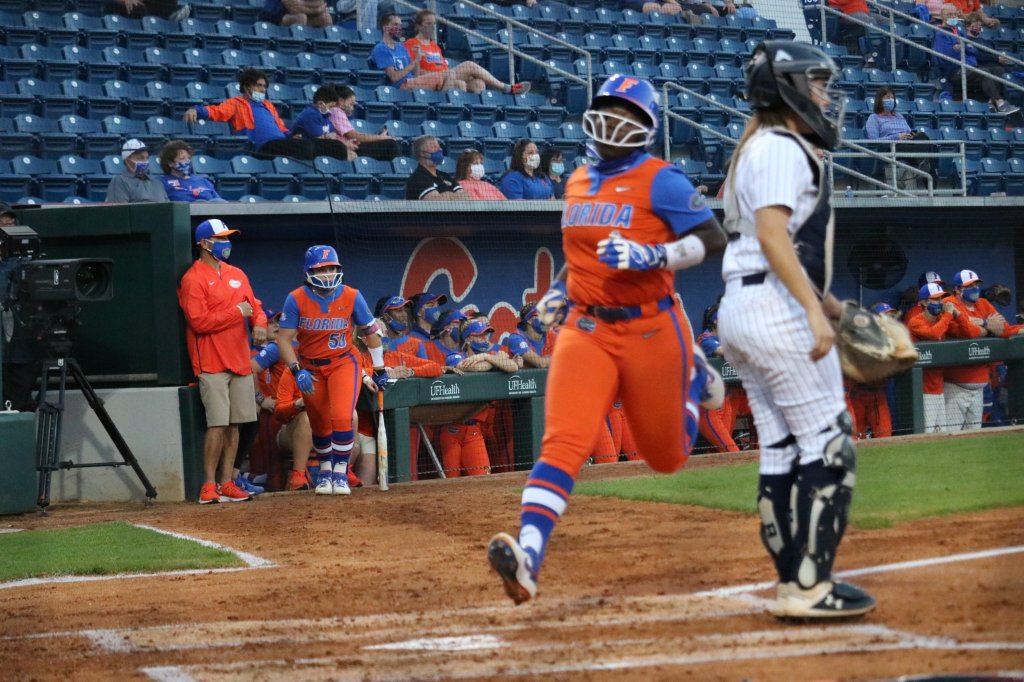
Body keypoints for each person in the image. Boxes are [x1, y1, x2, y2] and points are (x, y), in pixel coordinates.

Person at [486, 73, 728, 605]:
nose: (614, 121)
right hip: (586, 329)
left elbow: (713, 237)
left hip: (650, 326)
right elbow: (582, 263)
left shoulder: (661, 178)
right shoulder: (575, 180)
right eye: (607, 111)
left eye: (626, 114)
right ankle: (528, 558)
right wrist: (556, 294)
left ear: (644, 127)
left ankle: (691, 379)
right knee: (563, 444)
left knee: (664, 457)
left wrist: (656, 256)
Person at [714, 41, 877, 619]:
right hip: (777, 311)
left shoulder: (755, 148)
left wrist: (830, 307)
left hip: (744, 306)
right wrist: (811, 312)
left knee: (782, 450)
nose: (825, 94)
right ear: (784, 87)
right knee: (829, 447)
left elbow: (770, 248)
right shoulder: (783, 146)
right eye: (816, 82)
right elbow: (776, 237)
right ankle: (811, 585)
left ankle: (793, 582)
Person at [275, 245, 390, 496]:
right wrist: (296, 370)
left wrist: (379, 368)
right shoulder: (296, 298)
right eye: (322, 269)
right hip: (310, 367)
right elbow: (284, 339)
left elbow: (371, 332)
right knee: (319, 424)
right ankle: (325, 471)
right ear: (308, 272)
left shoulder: (351, 295)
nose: (328, 274)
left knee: (342, 416)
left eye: (331, 269)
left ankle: (340, 472)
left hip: (343, 362)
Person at [178, 219, 267, 504]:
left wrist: (260, 323)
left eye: (228, 238)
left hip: (239, 360)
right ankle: (208, 485)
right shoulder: (193, 278)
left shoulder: (237, 274)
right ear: (204, 244)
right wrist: (237, 313)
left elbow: (254, 306)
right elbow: (199, 321)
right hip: (211, 362)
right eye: (221, 239)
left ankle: (227, 481)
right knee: (216, 425)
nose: (227, 244)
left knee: (235, 425)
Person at [183, 69, 323, 160]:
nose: (263, 90)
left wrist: (292, 135)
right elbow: (216, 111)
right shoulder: (236, 103)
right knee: (306, 147)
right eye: (259, 85)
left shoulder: (268, 105)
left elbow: (281, 129)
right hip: (262, 147)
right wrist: (196, 109)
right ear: (247, 86)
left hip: (281, 142)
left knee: (331, 146)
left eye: (264, 86)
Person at [945, 269, 1022, 430]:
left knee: (975, 435)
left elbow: (1005, 330)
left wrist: (977, 322)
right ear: (958, 290)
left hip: (979, 385)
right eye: (969, 286)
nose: (975, 289)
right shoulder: (950, 303)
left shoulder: (983, 303)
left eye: (976, 285)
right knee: (951, 436)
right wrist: (987, 324)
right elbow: (964, 330)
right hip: (954, 385)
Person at [404, 9, 531, 95]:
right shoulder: (411, 44)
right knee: (469, 65)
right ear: (419, 26)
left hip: (446, 77)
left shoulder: (434, 46)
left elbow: (443, 66)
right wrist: (439, 74)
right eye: (428, 23)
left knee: (477, 83)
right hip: (431, 80)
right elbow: (415, 72)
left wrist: (447, 73)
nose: (432, 27)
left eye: (434, 23)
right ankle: (507, 88)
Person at [933, 4, 1019, 113]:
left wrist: (961, 47)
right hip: (955, 71)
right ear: (942, 17)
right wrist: (964, 48)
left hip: (970, 67)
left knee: (998, 70)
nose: (952, 17)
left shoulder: (959, 32)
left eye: (954, 14)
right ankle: (1000, 103)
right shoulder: (941, 34)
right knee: (984, 72)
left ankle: (991, 102)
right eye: (949, 14)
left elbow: (974, 51)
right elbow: (947, 55)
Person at [329, 85, 402, 162]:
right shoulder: (336, 111)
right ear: (341, 101)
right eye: (351, 104)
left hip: (351, 147)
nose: (352, 108)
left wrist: (379, 137)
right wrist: (382, 137)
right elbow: (354, 136)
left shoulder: (336, 111)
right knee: (390, 144)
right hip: (346, 149)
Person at [157, 140, 225, 203]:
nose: (187, 161)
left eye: (188, 158)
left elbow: (219, 203)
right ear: (170, 163)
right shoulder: (161, 182)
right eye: (182, 159)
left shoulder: (203, 181)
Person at [106, 139, 169, 204]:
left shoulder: (157, 183)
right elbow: (119, 211)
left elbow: (168, 208)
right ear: (127, 161)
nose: (145, 161)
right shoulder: (119, 181)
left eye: (147, 158)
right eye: (141, 158)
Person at [405, 136, 464, 200]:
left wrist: (446, 196)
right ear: (422, 153)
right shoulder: (417, 178)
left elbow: (465, 196)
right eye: (434, 147)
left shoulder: (446, 176)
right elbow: (436, 201)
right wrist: (454, 196)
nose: (440, 149)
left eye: (439, 146)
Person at [261, 0, 332, 27]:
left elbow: (319, 4)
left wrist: (316, 9)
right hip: (273, 15)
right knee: (300, 18)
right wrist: (314, 9)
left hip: (301, 13)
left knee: (326, 19)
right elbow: (294, 7)